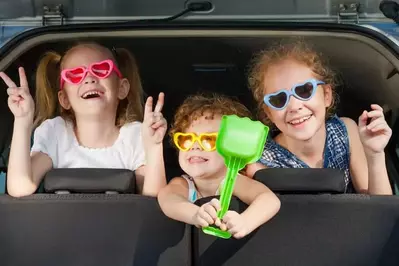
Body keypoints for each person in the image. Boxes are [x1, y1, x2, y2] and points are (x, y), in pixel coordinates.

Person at [0, 42, 167, 197]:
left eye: (101, 69)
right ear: (64, 98)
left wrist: (154, 147)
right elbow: (20, 187)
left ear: (121, 89)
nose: (89, 78)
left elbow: (152, 199)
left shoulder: (135, 136)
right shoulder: (56, 133)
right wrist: (23, 120)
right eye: (75, 75)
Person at [246, 39, 392, 195]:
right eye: (279, 99)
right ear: (269, 113)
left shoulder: (344, 132)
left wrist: (375, 154)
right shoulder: (261, 161)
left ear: (327, 95)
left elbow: (378, 206)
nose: (294, 107)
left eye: (304, 91)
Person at [158, 93, 281, 239]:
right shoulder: (184, 183)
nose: (195, 147)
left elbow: (269, 200)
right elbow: (168, 199)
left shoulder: (232, 181)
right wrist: (195, 214)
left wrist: (245, 222)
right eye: (186, 139)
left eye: (209, 140)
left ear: (234, 146)